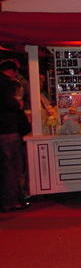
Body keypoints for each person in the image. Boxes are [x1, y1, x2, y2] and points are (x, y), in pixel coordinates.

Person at [0, 60, 31, 212]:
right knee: (12, 167)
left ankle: (8, 199)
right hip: (8, 130)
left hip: (4, 130)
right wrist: (17, 104)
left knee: (6, 167)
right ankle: (12, 201)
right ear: (12, 71)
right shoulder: (7, 84)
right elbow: (10, 104)